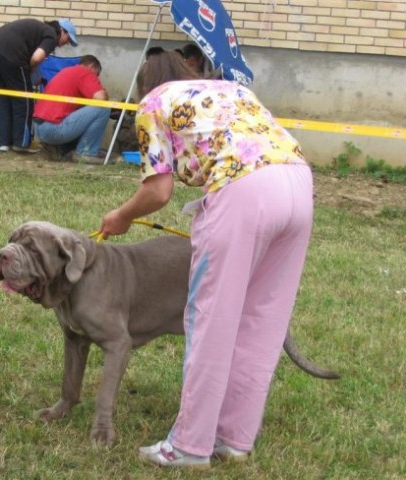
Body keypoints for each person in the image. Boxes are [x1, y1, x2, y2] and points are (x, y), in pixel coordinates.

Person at [99, 51, 313, 470]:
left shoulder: (154, 102)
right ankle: (234, 440)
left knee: (211, 320)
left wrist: (121, 216)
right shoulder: (231, 88)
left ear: (147, 83)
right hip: (300, 186)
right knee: (262, 321)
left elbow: (158, 193)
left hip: (243, 189)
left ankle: (190, 446)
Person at [0, 18, 78, 154]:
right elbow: (36, 58)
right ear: (62, 31)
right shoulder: (51, 35)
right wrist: (28, 70)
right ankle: (21, 143)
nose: (66, 43)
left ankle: (3, 143)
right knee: (24, 101)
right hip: (12, 54)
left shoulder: (40, 29)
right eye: (68, 39)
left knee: (1, 98)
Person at [33, 55, 110, 164]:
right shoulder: (84, 72)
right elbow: (101, 98)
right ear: (92, 66)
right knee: (103, 108)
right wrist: (104, 93)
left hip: (39, 128)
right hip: (52, 129)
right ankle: (86, 153)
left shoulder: (67, 72)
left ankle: (65, 149)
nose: (96, 79)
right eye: (97, 75)